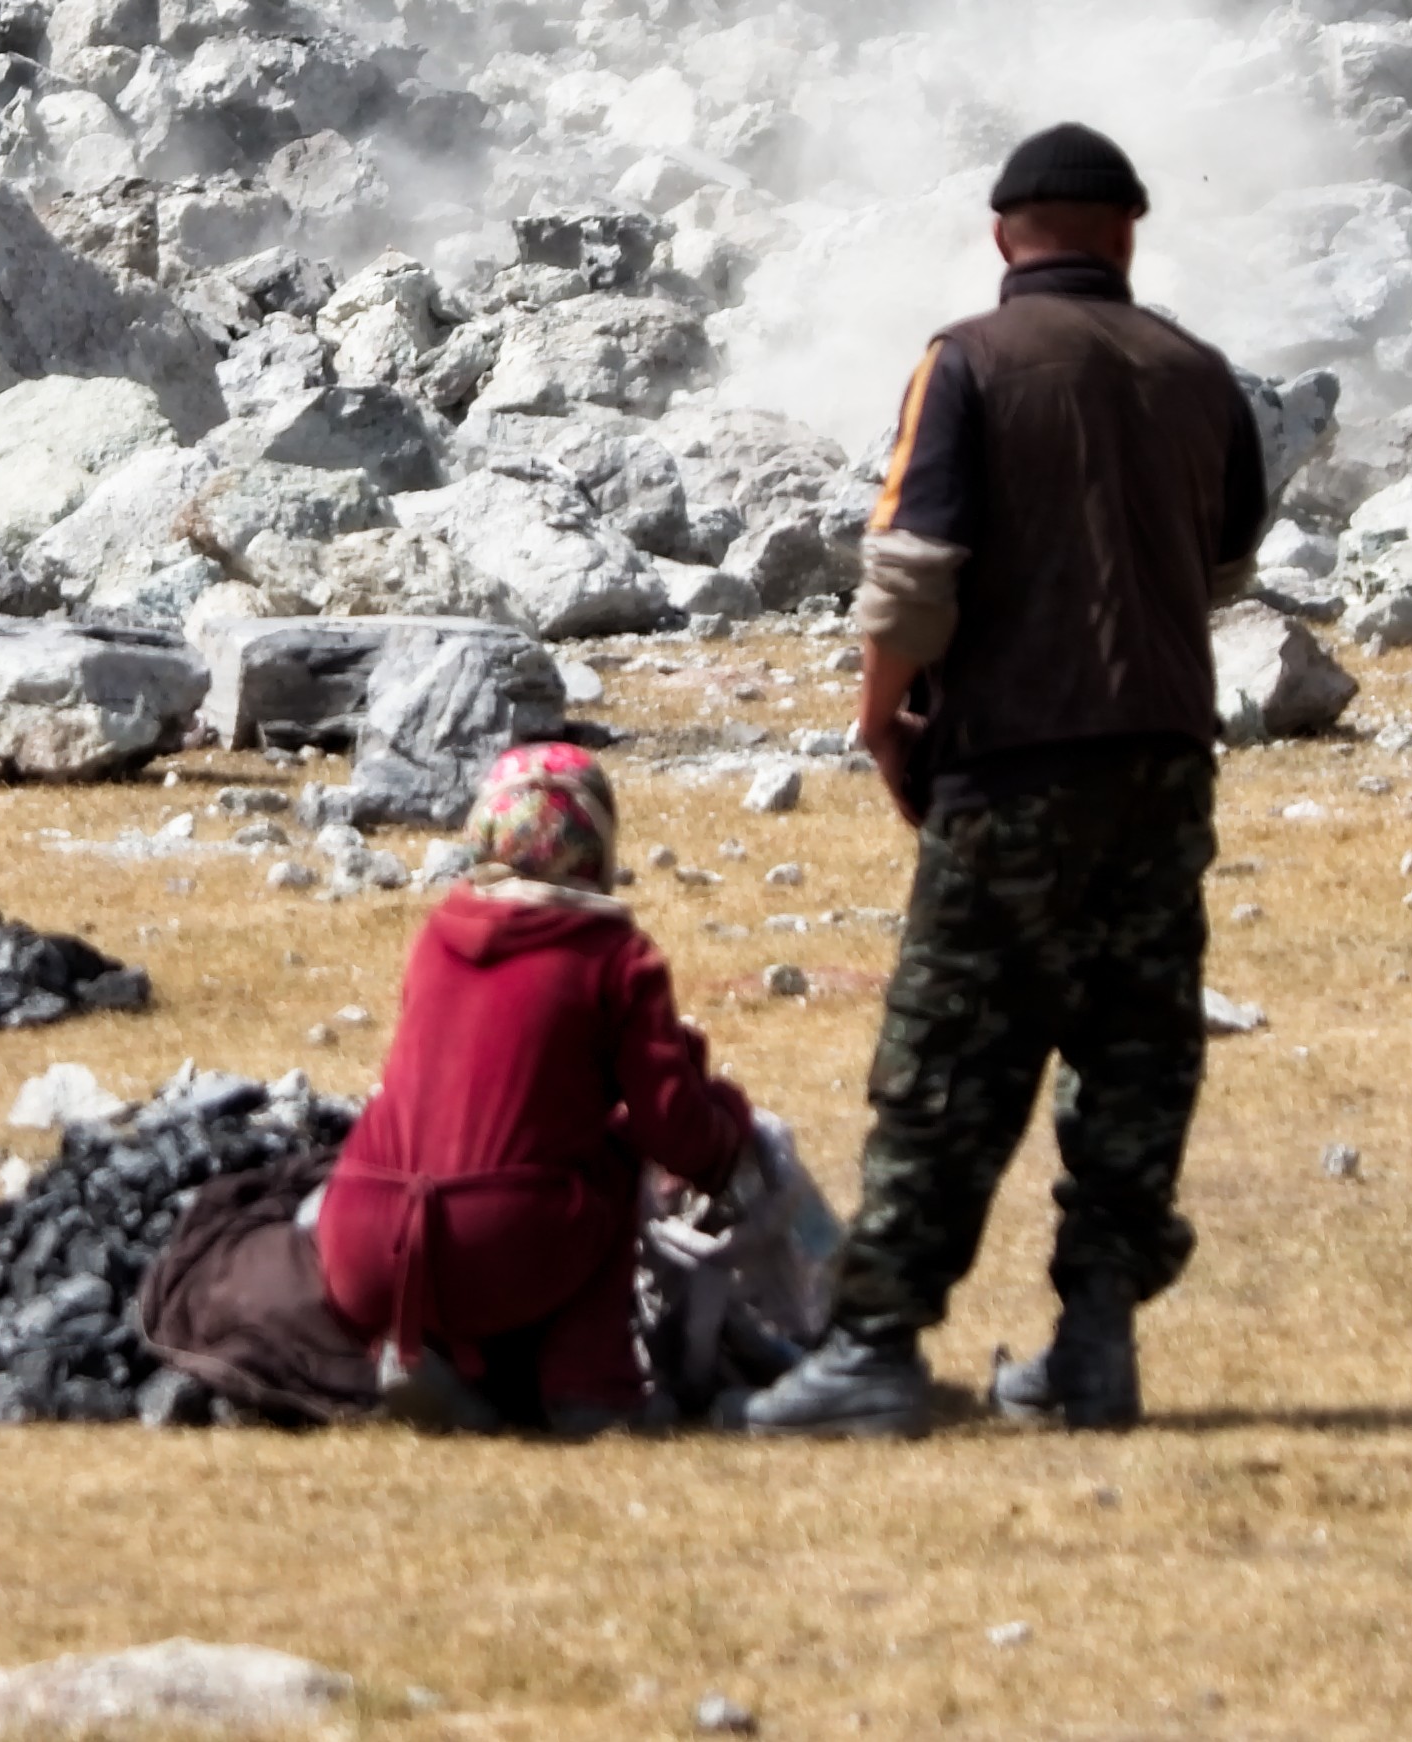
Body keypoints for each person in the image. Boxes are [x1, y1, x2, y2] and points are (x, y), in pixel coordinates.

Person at [743, 121, 1269, 1439]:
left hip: (1013, 761)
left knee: (947, 1053)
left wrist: (879, 720)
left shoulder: (965, 362)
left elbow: (913, 572)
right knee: (1133, 1056)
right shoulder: (1201, 374)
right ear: (1127, 233)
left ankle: (873, 1344)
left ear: (999, 238)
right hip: (1162, 764)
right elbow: (1221, 575)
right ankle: (1095, 1343)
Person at [318, 740, 753, 1435]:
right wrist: (727, 1126)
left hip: (360, 1238)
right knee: (607, 1163)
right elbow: (671, 1127)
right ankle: (593, 1389)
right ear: (595, 844)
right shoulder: (614, 957)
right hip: (502, 1241)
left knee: (491, 1161)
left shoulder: (437, 937)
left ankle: (423, 1354)